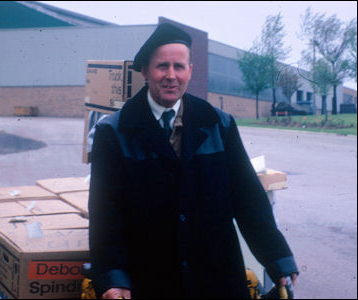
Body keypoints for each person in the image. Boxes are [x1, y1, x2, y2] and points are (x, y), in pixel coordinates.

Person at [89, 22, 298, 299]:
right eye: (162, 66)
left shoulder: (217, 124)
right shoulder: (114, 133)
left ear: (190, 71)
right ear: (145, 71)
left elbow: (248, 197)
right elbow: (106, 214)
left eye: (179, 67)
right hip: (150, 279)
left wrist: (277, 258)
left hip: (216, 277)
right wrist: (114, 278)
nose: (171, 76)